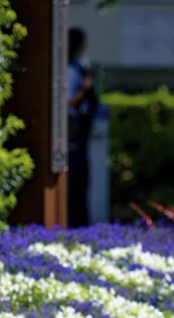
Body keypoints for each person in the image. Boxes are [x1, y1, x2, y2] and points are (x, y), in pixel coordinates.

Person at [67, 28, 99, 229]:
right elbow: (68, 102)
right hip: (71, 128)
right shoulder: (71, 68)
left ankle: (79, 223)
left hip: (78, 128)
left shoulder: (80, 67)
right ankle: (76, 222)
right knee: (74, 179)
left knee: (79, 180)